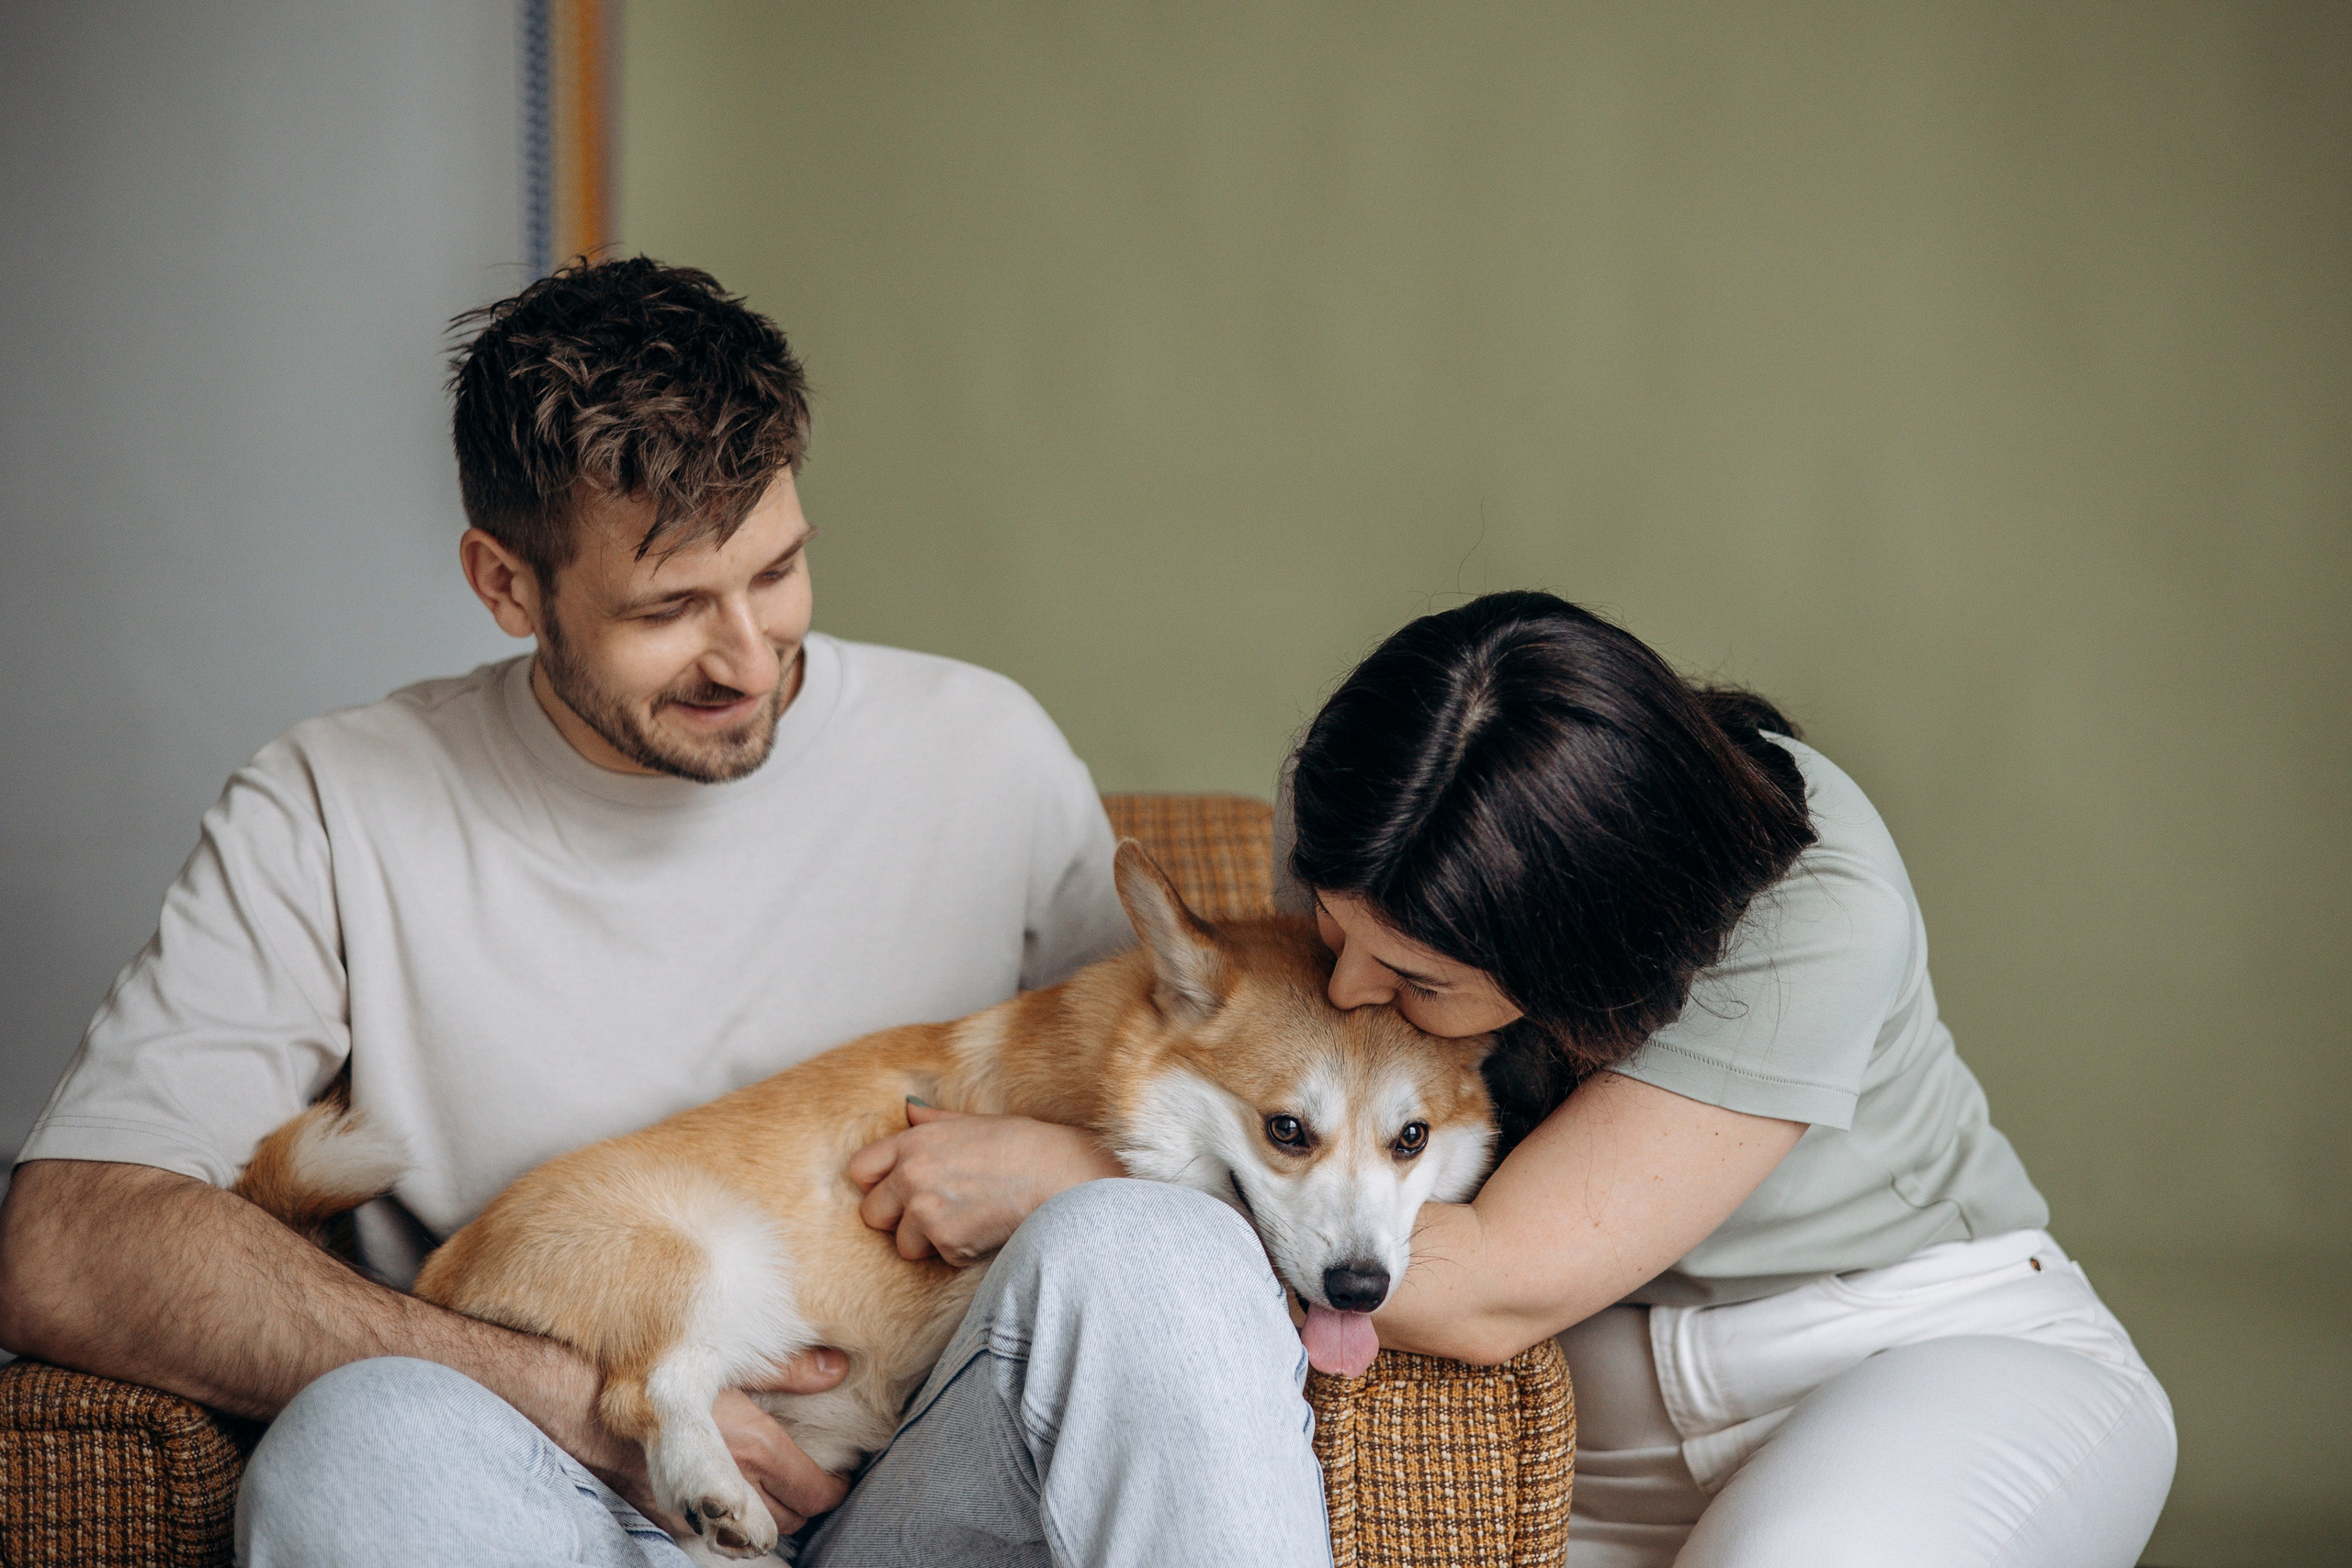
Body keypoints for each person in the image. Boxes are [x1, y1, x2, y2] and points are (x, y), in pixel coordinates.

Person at [0, 258, 1331, 1568]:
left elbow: (1208, 1100)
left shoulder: (983, 749)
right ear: (506, 585)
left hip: (928, 1466)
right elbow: (67, 1246)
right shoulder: (331, 805)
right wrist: (579, 1402)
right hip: (562, 1493)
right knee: (360, 1440)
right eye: (671, 606)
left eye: (778, 571)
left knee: (1157, 1252)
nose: (750, 656)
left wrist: (1092, 1176)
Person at [860, 591, 2177, 1567]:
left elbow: (1490, 1280)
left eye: (1417, 981)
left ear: (1579, 959)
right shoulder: (1382, 843)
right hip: (1577, 1431)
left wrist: (1083, 1179)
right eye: (1333, 934)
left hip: (1902, 1354)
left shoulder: (1814, 905)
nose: (1353, 995)